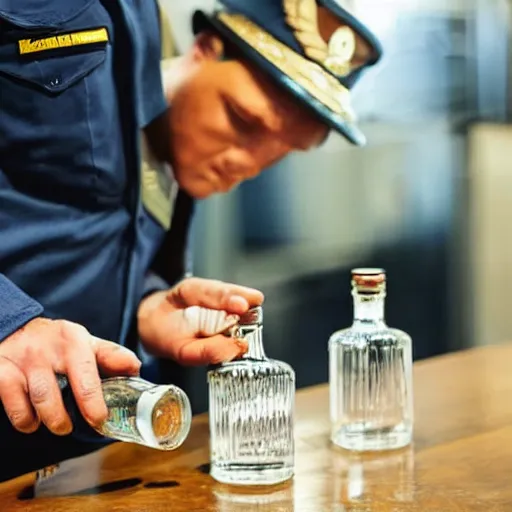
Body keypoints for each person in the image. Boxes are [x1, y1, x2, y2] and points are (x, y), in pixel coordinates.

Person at [0, 0, 382, 481]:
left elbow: (58, 220)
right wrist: (7, 322)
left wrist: (142, 312)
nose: (247, 163)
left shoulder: (141, 41)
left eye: (282, 151)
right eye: (243, 120)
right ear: (204, 50)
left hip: (68, 464)